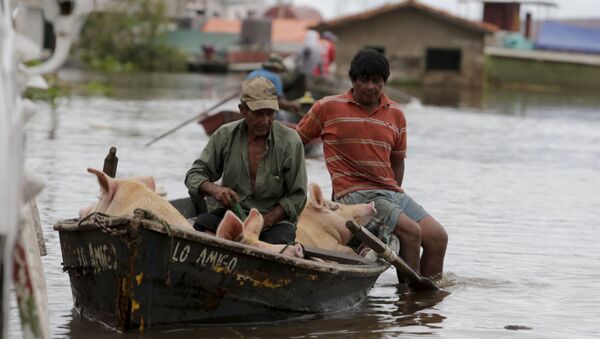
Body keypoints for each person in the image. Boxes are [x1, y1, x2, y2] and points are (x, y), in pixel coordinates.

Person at [296, 49, 448, 278]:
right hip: (354, 194)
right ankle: (409, 301)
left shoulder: (396, 113)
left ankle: (427, 294)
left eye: (376, 81)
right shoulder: (327, 107)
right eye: (364, 80)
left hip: (390, 192)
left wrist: (395, 199)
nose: (370, 86)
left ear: (384, 82)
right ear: (353, 80)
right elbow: (297, 141)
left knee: (438, 237)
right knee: (411, 231)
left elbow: (397, 160)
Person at [185, 76, 308, 244]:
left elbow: (298, 196)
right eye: (258, 114)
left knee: (281, 245)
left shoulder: (290, 141)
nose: (265, 121)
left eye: (270, 113)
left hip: (273, 223)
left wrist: (262, 222)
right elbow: (194, 175)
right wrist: (215, 190)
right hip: (232, 216)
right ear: (243, 110)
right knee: (201, 224)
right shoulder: (225, 135)